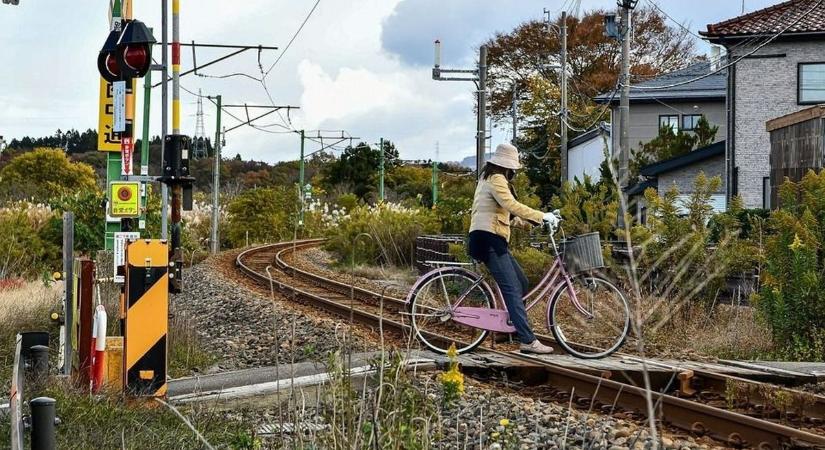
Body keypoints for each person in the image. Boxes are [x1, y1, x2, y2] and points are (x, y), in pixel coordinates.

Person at [467, 143, 557, 355]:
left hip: (490, 238)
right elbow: (512, 205)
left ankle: (512, 327)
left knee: (522, 282)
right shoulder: (497, 179)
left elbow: (505, 214)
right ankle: (527, 340)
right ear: (509, 167)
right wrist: (541, 215)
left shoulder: (487, 179)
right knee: (512, 288)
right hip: (489, 240)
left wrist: (533, 223)